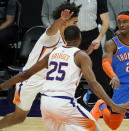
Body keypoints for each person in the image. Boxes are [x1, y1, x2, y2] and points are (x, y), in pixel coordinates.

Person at [0, 25, 129, 131]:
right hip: (64, 104)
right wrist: (113, 105)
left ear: (65, 37)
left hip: (45, 103)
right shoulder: (81, 57)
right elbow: (93, 84)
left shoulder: (53, 53)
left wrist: (2, 86)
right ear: (79, 38)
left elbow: (25, 74)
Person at [0, 1, 82, 129]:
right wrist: (61, 19)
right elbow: (52, 29)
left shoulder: (69, 40)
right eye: (75, 22)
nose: (77, 26)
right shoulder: (51, 35)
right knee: (19, 117)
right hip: (30, 78)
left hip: (50, 82)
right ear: (65, 22)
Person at [0, 0, 18, 69]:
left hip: (7, 27)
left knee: (1, 37)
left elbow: (9, 21)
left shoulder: (10, 1)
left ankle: (5, 65)